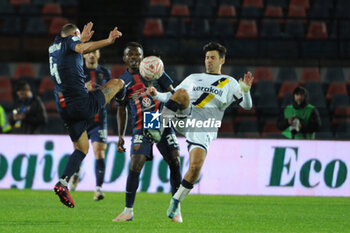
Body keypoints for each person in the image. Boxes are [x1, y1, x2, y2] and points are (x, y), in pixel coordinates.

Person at [146, 42, 253, 222]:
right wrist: (156, 94)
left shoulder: (229, 82)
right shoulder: (194, 78)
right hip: (186, 116)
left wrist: (246, 91)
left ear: (222, 60)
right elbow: (171, 96)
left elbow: (247, 106)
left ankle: (176, 201)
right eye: (207, 57)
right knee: (180, 94)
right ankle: (158, 126)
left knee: (195, 169)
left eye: (213, 58)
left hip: (205, 127)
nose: (209, 61)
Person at [49, 22, 125, 208]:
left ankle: (63, 183)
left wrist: (80, 39)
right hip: (80, 104)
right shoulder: (71, 41)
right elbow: (80, 47)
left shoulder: (53, 46)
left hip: (64, 107)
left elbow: (76, 47)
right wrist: (108, 40)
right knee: (118, 83)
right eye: (76, 36)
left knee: (82, 148)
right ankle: (127, 102)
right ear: (73, 34)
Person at [112, 42, 182, 222]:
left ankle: (176, 208)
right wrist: (120, 136)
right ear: (124, 58)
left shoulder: (155, 69)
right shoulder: (122, 81)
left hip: (161, 120)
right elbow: (121, 109)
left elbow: (172, 93)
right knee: (136, 165)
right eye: (130, 55)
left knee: (174, 160)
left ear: (143, 57)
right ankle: (128, 210)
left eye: (138, 55)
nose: (134, 58)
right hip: (141, 124)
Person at [68, 49, 111, 201]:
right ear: (84, 55)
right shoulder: (78, 71)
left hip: (99, 120)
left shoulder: (105, 72)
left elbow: (110, 93)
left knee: (99, 152)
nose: (92, 54)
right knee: (79, 150)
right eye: (89, 52)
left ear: (99, 54)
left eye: (95, 52)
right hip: (81, 119)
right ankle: (76, 173)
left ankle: (98, 189)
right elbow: (69, 93)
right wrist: (83, 88)